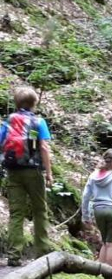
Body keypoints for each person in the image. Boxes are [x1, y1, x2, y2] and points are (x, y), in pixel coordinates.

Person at [0, 87, 54, 267]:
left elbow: (1, 144)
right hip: (33, 170)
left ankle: (14, 255)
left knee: (16, 213)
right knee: (40, 210)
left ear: (16, 103)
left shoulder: (9, 120)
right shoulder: (38, 122)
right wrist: (49, 173)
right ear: (34, 103)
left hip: (13, 171)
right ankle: (43, 252)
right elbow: (44, 147)